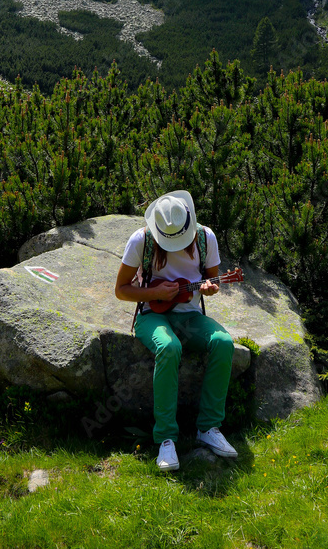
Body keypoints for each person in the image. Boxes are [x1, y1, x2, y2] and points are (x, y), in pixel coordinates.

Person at [115, 189, 237, 472]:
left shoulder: (206, 238)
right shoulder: (141, 240)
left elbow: (213, 280)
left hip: (191, 316)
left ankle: (208, 428)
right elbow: (121, 290)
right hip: (150, 316)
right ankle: (166, 440)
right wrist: (154, 291)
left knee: (223, 342)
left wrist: (212, 288)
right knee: (169, 348)